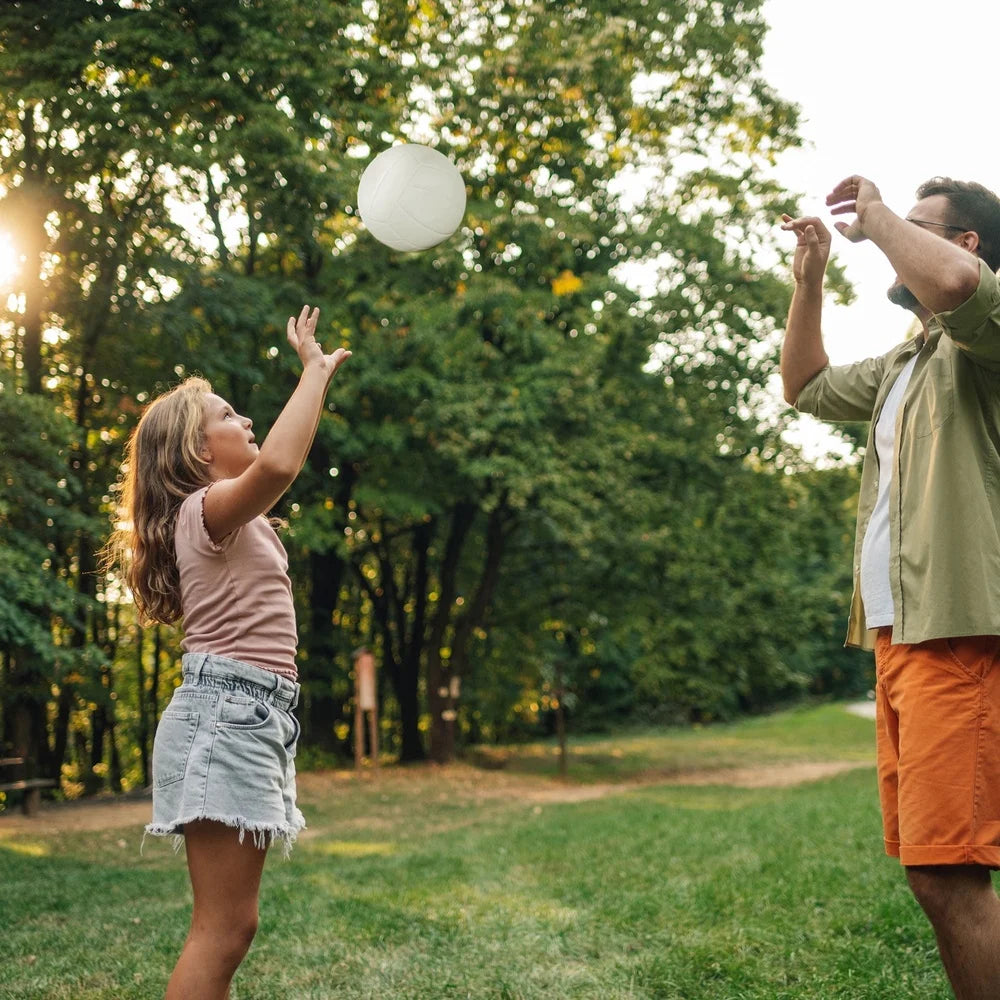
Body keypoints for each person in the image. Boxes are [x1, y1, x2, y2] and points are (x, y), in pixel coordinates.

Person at [780, 176, 1000, 999]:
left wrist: (873, 216)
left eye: (916, 227)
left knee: (951, 876)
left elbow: (953, 285)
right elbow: (803, 386)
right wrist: (810, 281)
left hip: (960, 632)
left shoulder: (988, 331)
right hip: (900, 637)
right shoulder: (908, 360)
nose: (891, 239)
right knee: (931, 873)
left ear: (966, 241)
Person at [102, 305, 350, 1000]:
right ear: (197, 451)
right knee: (223, 928)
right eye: (230, 415)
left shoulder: (232, 519)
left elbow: (268, 469)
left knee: (233, 926)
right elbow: (278, 460)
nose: (245, 421)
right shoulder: (203, 512)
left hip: (251, 714)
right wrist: (313, 372)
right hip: (228, 713)